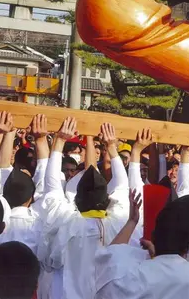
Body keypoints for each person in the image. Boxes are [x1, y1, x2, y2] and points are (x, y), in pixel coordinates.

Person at [37, 119, 133, 299]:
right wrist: (112, 147)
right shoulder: (117, 222)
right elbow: (122, 185)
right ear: (106, 200)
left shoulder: (67, 221)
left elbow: (52, 187)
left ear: (76, 200)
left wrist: (59, 142)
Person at [94, 185, 189, 298]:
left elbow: (110, 257)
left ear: (153, 238)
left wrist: (131, 221)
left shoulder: (127, 277)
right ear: (188, 246)